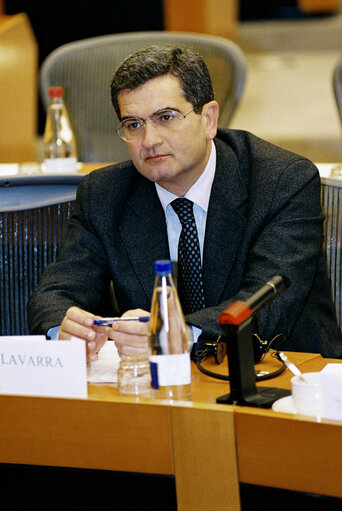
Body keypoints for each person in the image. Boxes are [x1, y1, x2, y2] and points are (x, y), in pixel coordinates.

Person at [28, 45, 342, 361]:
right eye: (133, 124)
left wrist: (178, 335)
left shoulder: (282, 181)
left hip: (286, 375)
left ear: (208, 119)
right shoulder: (104, 193)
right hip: (158, 389)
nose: (149, 140)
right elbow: (56, 293)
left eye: (166, 117)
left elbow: (271, 306)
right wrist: (65, 328)